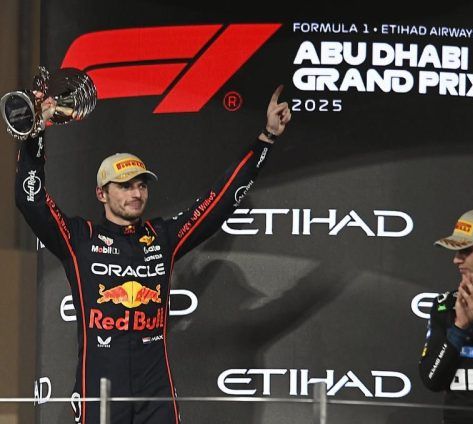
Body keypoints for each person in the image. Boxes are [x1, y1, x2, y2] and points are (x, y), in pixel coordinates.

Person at [15, 85, 291, 424]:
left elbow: (219, 201)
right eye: (125, 185)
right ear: (101, 194)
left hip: (155, 392)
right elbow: (31, 201)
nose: (136, 193)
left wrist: (266, 139)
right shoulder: (80, 239)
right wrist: (35, 135)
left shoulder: (163, 238)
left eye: (142, 185)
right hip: (100, 389)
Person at [419, 206, 473, 423]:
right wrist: (458, 328)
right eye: (456, 252)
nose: (456, 260)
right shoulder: (446, 305)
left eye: (466, 251)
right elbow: (432, 380)